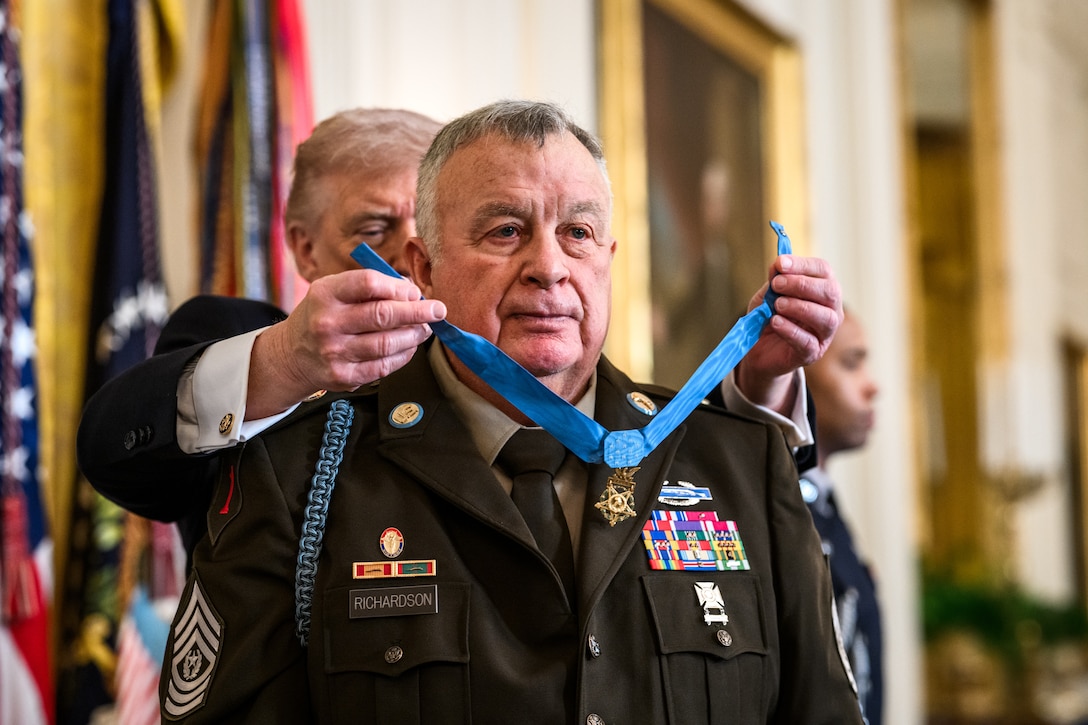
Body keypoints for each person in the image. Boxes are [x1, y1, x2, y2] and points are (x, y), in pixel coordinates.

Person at [148, 100, 862, 723]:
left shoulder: (738, 458)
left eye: (577, 232)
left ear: (609, 257)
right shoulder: (298, 473)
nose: (550, 266)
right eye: (505, 231)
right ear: (422, 269)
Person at [76, 108, 444, 541]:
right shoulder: (230, 330)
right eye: (375, 228)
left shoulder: (494, 353)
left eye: (431, 226)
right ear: (306, 250)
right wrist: (284, 360)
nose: (410, 254)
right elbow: (111, 454)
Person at [799, 309, 883, 724]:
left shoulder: (825, 508)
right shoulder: (786, 517)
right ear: (795, 375)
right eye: (852, 363)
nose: (873, 386)